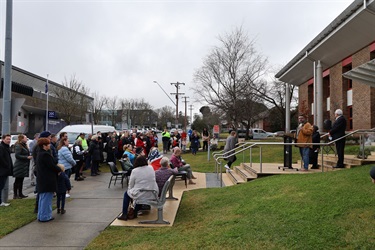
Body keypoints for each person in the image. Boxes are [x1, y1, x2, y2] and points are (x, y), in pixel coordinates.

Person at [117, 156, 159, 221]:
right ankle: (135, 212)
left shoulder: (134, 171)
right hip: (153, 193)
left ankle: (124, 214)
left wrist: (130, 190)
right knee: (138, 193)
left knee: (127, 194)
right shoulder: (151, 168)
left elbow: (130, 185)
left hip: (141, 193)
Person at [36, 138, 62, 222]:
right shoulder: (45, 155)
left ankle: (41, 215)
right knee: (46, 200)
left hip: (42, 179)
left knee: (42, 198)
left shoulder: (40, 154)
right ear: (44, 146)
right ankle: (45, 216)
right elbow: (52, 166)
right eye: (48, 144)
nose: (49, 145)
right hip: (47, 180)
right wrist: (59, 169)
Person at [13, 134, 32, 199]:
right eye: (25, 138)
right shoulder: (18, 146)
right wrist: (26, 157)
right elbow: (17, 155)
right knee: (17, 180)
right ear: (21, 139)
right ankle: (15, 194)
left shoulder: (24, 145)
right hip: (19, 165)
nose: (26, 139)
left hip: (23, 165)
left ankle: (20, 193)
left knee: (21, 180)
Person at [0, 134, 13, 207]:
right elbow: (1, 159)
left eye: (9, 139)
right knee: (1, 186)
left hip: (4, 170)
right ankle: (0, 202)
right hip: (2, 171)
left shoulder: (6, 147)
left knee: (1, 186)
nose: (9, 141)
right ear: (3, 139)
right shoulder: (2, 147)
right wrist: (6, 166)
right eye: (7, 139)